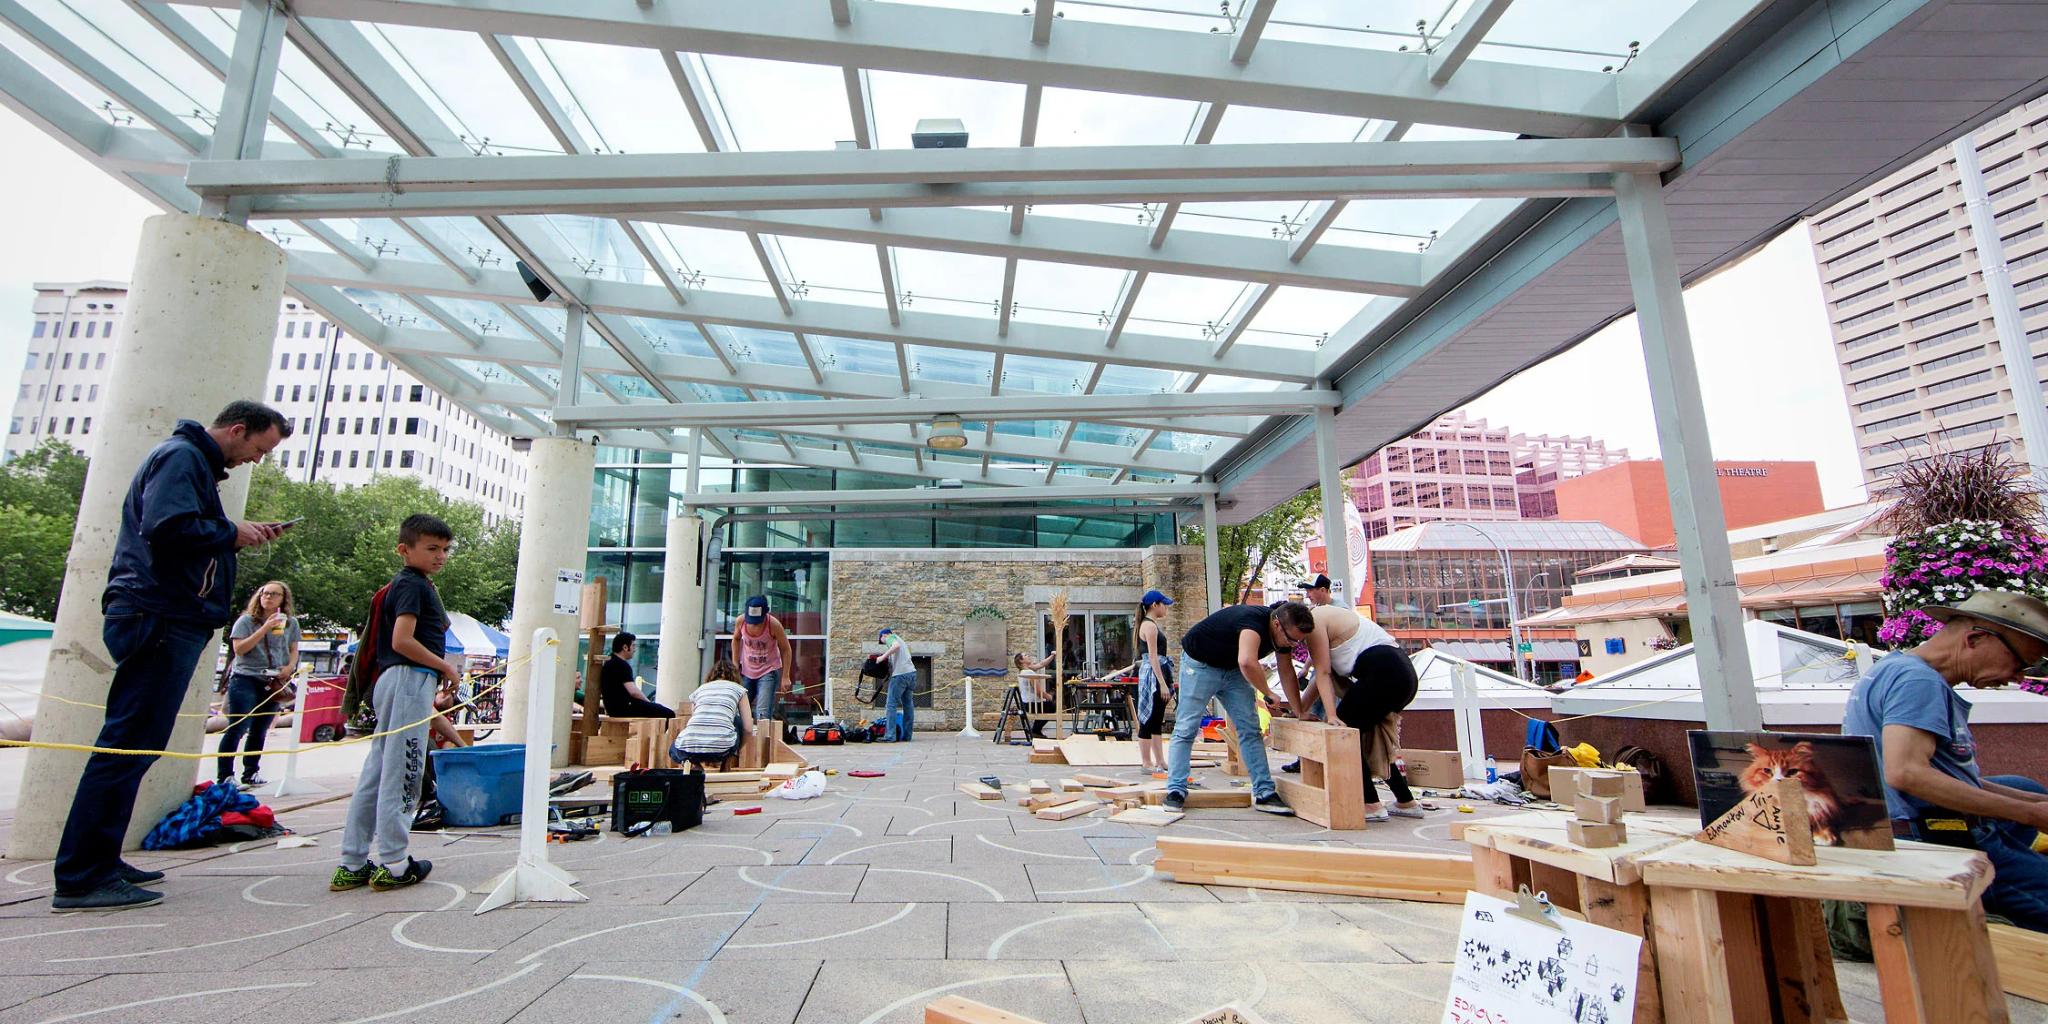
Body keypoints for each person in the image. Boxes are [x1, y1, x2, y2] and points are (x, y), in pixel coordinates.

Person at [51, 401, 291, 913]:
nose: (256, 459)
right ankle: (81, 873)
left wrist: (233, 531)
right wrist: (232, 532)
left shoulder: (189, 462)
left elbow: (178, 527)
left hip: (161, 614)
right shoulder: (181, 458)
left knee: (136, 746)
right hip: (156, 614)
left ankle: (98, 860)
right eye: (258, 448)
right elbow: (168, 527)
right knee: (126, 744)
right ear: (237, 429)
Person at [1842, 590, 2048, 932]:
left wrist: (2036, 803)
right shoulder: (1919, 682)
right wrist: (2031, 814)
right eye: (2019, 663)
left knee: (2024, 787)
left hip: (1902, 824)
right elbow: (1906, 773)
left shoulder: (1895, 667)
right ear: (1976, 639)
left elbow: (1946, 775)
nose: (2018, 678)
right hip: (1931, 839)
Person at [331, 514, 458, 894]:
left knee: (377, 770)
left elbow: (421, 632)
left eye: (445, 549)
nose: (440, 556)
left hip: (397, 680)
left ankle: (352, 861)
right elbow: (404, 640)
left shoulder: (411, 586)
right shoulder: (411, 586)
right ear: (405, 549)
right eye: (432, 548)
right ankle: (395, 861)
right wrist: (443, 666)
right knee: (404, 769)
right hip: (407, 676)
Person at [1284, 602, 1428, 822]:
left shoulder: (1316, 622)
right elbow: (1320, 677)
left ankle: (1370, 804)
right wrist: (1299, 710)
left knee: (1346, 735)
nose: (1296, 642)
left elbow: (1322, 674)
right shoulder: (1325, 621)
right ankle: (1406, 801)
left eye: (1295, 639)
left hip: (1384, 672)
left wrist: (1333, 717)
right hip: (1401, 673)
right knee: (1371, 737)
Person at [1162, 602, 1309, 816]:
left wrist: (1299, 711)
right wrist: (1268, 692)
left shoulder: (1284, 634)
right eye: (1291, 639)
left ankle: (1265, 793)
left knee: (1250, 729)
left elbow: (1287, 672)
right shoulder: (1253, 622)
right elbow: (1247, 662)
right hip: (1201, 664)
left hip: (1232, 669)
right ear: (1277, 624)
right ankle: (1176, 790)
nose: (1294, 645)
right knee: (1186, 728)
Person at [216, 580, 302, 787]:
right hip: (246, 677)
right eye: (265, 593)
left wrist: (290, 666)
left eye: (274, 594)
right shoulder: (246, 621)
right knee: (237, 727)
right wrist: (265, 627)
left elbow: (293, 649)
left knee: (260, 729)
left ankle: (251, 772)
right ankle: (225, 775)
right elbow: (240, 649)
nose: (268, 597)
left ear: (284, 599)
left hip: (274, 680)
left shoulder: (290, 623)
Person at [673, 659, 755, 785]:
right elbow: (748, 728)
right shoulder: (739, 690)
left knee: (674, 748)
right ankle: (727, 761)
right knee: (737, 721)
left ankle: (694, 764)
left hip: (690, 747)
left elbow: (696, 719)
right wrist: (736, 749)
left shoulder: (700, 690)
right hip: (723, 748)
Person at [1135, 590, 1177, 775]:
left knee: (1156, 719)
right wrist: (1161, 683)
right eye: (1163, 604)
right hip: (1153, 676)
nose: (1165, 608)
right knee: (1149, 718)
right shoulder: (1149, 626)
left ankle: (1160, 760)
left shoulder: (1150, 625)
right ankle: (1146, 762)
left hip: (1160, 671)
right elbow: (1152, 657)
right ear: (1154, 605)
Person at [737, 596, 794, 724]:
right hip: (747, 670)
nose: (754, 624)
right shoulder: (741, 621)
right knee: (740, 708)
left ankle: (762, 741)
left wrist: (785, 676)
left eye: (757, 621)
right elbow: (735, 639)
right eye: (751, 621)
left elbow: (786, 649)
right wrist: (736, 663)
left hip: (768, 671)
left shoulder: (773, 625)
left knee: (762, 712)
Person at [599, 632, 672, 719]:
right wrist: (649, 703)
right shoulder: (621, 665)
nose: (635, 649)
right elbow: (633, 692)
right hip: (625, 708)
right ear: (625, 647)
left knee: (658, 708)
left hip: (613, 708)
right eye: (633, 646)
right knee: (668, 713)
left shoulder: (609, 662)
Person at [878, 627, 916, 742]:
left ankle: (890, 736)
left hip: (900, 676)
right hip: (912, 673)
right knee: (908, 704)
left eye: (881, 640)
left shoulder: (890, 637)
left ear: (883, 635)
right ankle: (907, 735)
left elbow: (895, 646)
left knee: (891, 705)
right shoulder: (901, 640)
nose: (883, 642)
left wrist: (882, 657)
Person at [1013, 651, 1055, 739]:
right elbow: (1039, 691)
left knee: (1048, 706)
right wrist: (1049, 697)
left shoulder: (1025, 671)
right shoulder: (1029, 673)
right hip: (1031, 705)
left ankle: (1036, 731)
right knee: (1052, 707)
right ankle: (1035, 730)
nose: (1028, 655)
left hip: (1025, 704)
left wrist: (1052, 655)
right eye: (1025, 655)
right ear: (1021, 661)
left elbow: (1041, 664)